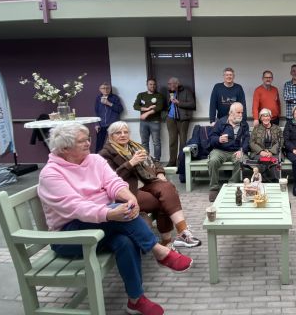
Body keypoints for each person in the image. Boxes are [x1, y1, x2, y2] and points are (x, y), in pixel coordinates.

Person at [38, 123, 193, 315]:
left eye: (88, 138)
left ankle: (135, 299)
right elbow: (76, 207)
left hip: (102, 228)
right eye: (82, 141)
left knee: (125, 240)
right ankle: (158, 250)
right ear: (64, 149)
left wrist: (130, 198)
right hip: (70, 236)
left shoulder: (94, 160)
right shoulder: (51, 174)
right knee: (115, 211)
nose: (88, 143)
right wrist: (110, 213)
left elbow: (114, 182)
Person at [99, 121, 201, 248]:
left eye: (125, 132)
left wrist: (159, 173)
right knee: (165, 201)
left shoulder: (135, 147)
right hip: (128, 192)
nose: (123, 135)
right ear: (110, 136)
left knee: (167, 187)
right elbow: (111, 179)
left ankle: (182, 231)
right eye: (118, 133)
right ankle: (168, 241)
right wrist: (131, 163)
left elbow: (154, 161)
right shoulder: (105, 154)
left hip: (147, 182)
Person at [207, 102, 250, 202]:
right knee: (213, 161)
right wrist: (218, 139)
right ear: (231, 113)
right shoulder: (221, 122)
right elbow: (211, 138)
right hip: (220, 150)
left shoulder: (244, 124)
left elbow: (247, 140)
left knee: (241, 160)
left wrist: (242, 150)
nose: (241, 115)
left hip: (236, 151)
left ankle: (232, 186)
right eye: (238, 112)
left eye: (242, 112)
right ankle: (214, 188)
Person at [166, 77, 196, 167]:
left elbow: (192, 104)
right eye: (169, 84)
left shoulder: (186, 91)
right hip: (171, 119)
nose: (170, 85)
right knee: (172, 141)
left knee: (183, 141)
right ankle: (172, 162)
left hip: (183, 119)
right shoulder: (169, 93)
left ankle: (181, 162)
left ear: (177, 84)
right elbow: (167, 105)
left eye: (172, 83)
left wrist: (179, 102)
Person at [133, 78, 165, 161]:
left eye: (154, 84)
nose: (152, 86)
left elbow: (159, 107)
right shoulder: (141, 95)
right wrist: (147, 109)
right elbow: (136, 106)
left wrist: (147, 113)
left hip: (155, 122)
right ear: (147, 85)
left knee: (156, 143)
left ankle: (157, 160)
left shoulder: (159, 95)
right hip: (143, 123)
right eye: (150, 84)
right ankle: (146, 160)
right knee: (144, 142)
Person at [249, 107, 283, 182]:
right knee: (261, 161)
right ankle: (262, 181)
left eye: (267, 116)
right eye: (263, 116)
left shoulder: (277, 128)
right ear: (260, 118)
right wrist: (261, 151)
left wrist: (271, 152)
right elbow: (252, 142)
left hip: (274, 152)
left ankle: (275, 182)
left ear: (270, 117)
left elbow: (280, 141)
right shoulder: (256, 129)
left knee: (274, 161)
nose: (265, 118)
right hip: (259, 153)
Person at [94, 82, 123, 153]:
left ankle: (116, 158)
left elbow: (120, 109)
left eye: (107, 88)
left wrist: (109, 103)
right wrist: (96, 124)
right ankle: (97, 159)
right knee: (99, 144)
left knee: (115, 143)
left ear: (110, 89)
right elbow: (96, 111)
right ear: (100, 89)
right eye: (103, 88)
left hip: (113, 124)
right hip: (101, 124)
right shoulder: (98, 98)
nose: (105, 90)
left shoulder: (115, 98)